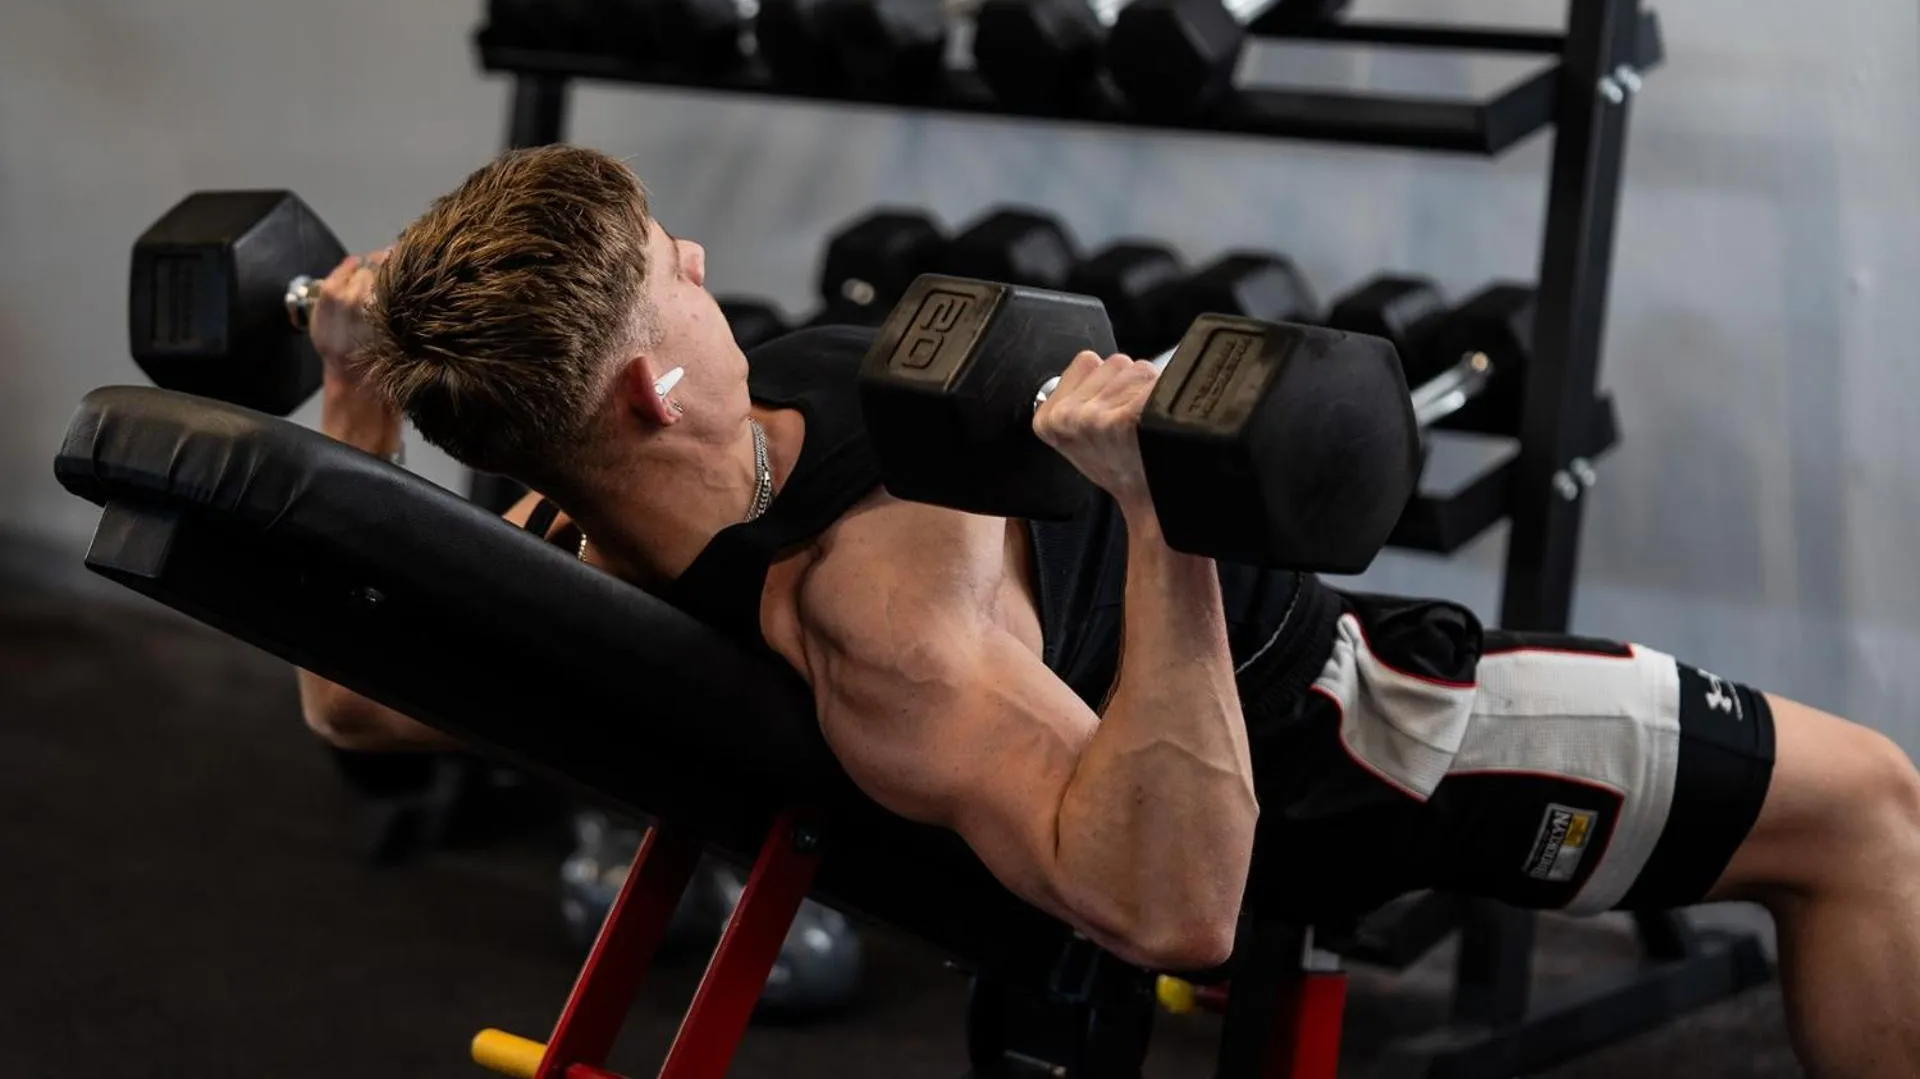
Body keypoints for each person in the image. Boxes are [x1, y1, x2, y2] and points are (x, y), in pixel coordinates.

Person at [300, 144, 1918, 1078]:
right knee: (1867, 812)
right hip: (1340, 739)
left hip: (1222, 699)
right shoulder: (888, 631)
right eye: (680, 269)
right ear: (655, 386)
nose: (709, 254)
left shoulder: (577, 527)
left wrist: (356, 399)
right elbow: (1175, 907)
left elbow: (356, 706)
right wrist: (1166, 516)